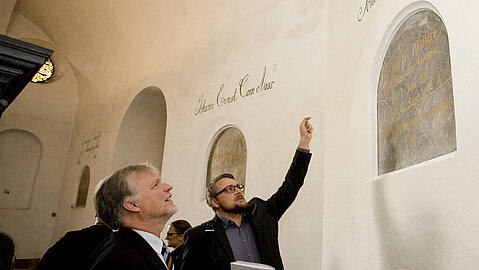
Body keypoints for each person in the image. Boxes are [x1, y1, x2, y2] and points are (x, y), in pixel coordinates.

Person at [181, 117, 313, 270]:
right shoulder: (200, 236)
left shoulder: (262, 215)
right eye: (229, 189)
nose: (237, 191)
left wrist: (304, 142)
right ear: (214, 202)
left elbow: (291, 185)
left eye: (238, 187)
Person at [88, 164, 177, 270]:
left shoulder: (142, 249)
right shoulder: (119, 261)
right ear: (132, 205)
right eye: (155, 185)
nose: (168, 187)